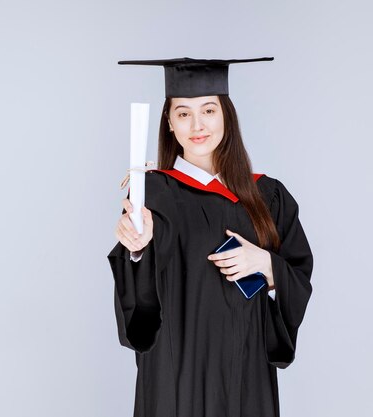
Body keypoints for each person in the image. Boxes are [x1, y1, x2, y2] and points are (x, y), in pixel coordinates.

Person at [107, 57, 314, 417]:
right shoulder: (152, 194)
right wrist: (138, 251)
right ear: (169, 123)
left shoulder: (267, 194)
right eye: (183, 113)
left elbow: (298, 275)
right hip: (176, 371)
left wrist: (266, 264)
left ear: (226, 117)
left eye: (208, 110)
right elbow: (139, 308)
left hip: (244, 370)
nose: (197, 125)